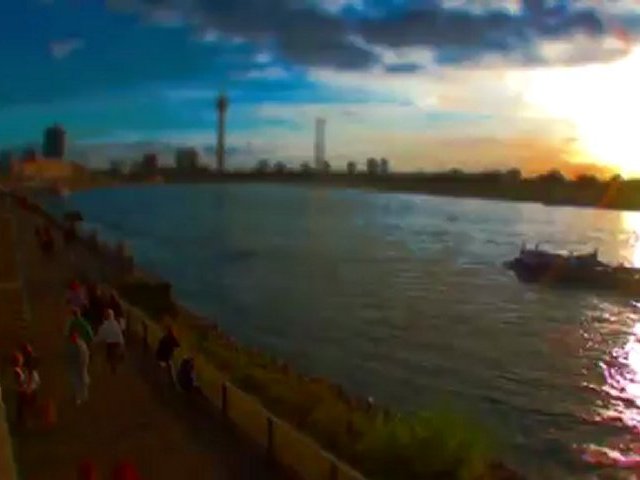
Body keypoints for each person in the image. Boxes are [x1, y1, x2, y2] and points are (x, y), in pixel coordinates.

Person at [94, 309, 125, 374]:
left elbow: (100, 337)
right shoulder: (117, 323)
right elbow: (122, 327)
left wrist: (93, 341)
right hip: (121, 344)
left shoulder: (104, 326)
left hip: (111, 345)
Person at [67, 332, 90, 405]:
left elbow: (82, 356)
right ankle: (83, 396)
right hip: (81, 364)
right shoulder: (80, 343)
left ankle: (79, 398)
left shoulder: (79, 345)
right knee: (82, 379)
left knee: (78, 380)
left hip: (80, 364)